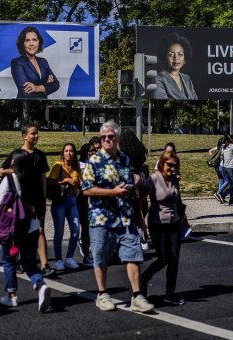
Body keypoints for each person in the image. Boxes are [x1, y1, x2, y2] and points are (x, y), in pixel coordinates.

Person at [81, 121, 155, 313]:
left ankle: (137, 296)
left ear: (118, 139)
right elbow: (87, 190)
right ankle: (102, 294)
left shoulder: (124, 159)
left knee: (133, 254)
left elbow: (129, 189)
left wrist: (138, 214)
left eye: (111, 136)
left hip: (126, 217)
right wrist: (112, 192)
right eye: (104, 136)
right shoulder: (94, 161)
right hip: (101, 218)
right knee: (101, 256)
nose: (107, 139)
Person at [0, 150, 52, 312]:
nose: (10, 164)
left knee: (9, 261)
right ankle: (40, 285)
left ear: (16, 164)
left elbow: (0, 201)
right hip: (32, 226)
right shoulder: (33, 181)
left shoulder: (9, 180)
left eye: (12, 162)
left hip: (13, 227)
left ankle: (11, 296)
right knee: (29, 261)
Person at [0, 124, 54, 276]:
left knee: (40, 230)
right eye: (33, 134)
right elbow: (2, 171)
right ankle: (15, 260)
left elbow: (43, 179)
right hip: (19, 201)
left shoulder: (40, 155)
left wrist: (43, 200)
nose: (36, 136)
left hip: (36, 201)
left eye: (37, 134)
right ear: (25, 136)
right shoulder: (16, 154)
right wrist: (16, 170)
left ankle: (45, 265)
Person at [139, 151, 185, 305]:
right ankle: (144, 279)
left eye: (174, 166)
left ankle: (170, 293)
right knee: (163, 258)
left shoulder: (174, 180)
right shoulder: (152, 180)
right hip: (157, 224)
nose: (172, 168)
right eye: (169, 165)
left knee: (174, 259)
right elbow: (140, 201)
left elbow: (178, 201)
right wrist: (140, 222)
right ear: (161, 164)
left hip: (174, 223)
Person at [48, 143, 81, 271]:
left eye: (71, 151)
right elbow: (51, 182)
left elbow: (78, 184)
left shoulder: (76, 167)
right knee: (59, 232)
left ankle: (69, 257)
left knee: (75, 230)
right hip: (59, 201)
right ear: (63, 153)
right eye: (66, 151)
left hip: (72, 201)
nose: (69, 153)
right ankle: (58, 260)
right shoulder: (58, 166)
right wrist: (65, 181)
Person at [11, 26, 60, 99]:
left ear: (39, 42)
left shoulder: (43, 62)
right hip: (24, 106)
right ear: (22, 43)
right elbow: (26, 93)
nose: (31, 44)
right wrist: (46, 86)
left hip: (43, 105)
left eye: (34, 40)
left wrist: (36, 88)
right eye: (27, 40)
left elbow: (56, 85)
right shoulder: (17, 63)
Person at [153, 32, 198, 100]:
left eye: (180, 54)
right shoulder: (159, 78)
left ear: (185, 58)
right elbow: (161, 102)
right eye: (171, 54)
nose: (176, 58)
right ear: (165, 58)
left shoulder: (187, 78)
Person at [77, 142, 98, 266]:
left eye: (93, 151)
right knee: (85, 226)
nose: (92, 153)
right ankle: (86, 254)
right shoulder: (80, 165)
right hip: (83, 198)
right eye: (90, 151)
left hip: (95, 198)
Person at [214, 135, 233, 205]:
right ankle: (222, 195)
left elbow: (222, 156)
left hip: (225, 167)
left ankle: (232, 200)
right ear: (231, 139)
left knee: (231, 184)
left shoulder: (224, 146)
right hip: (231, 167)